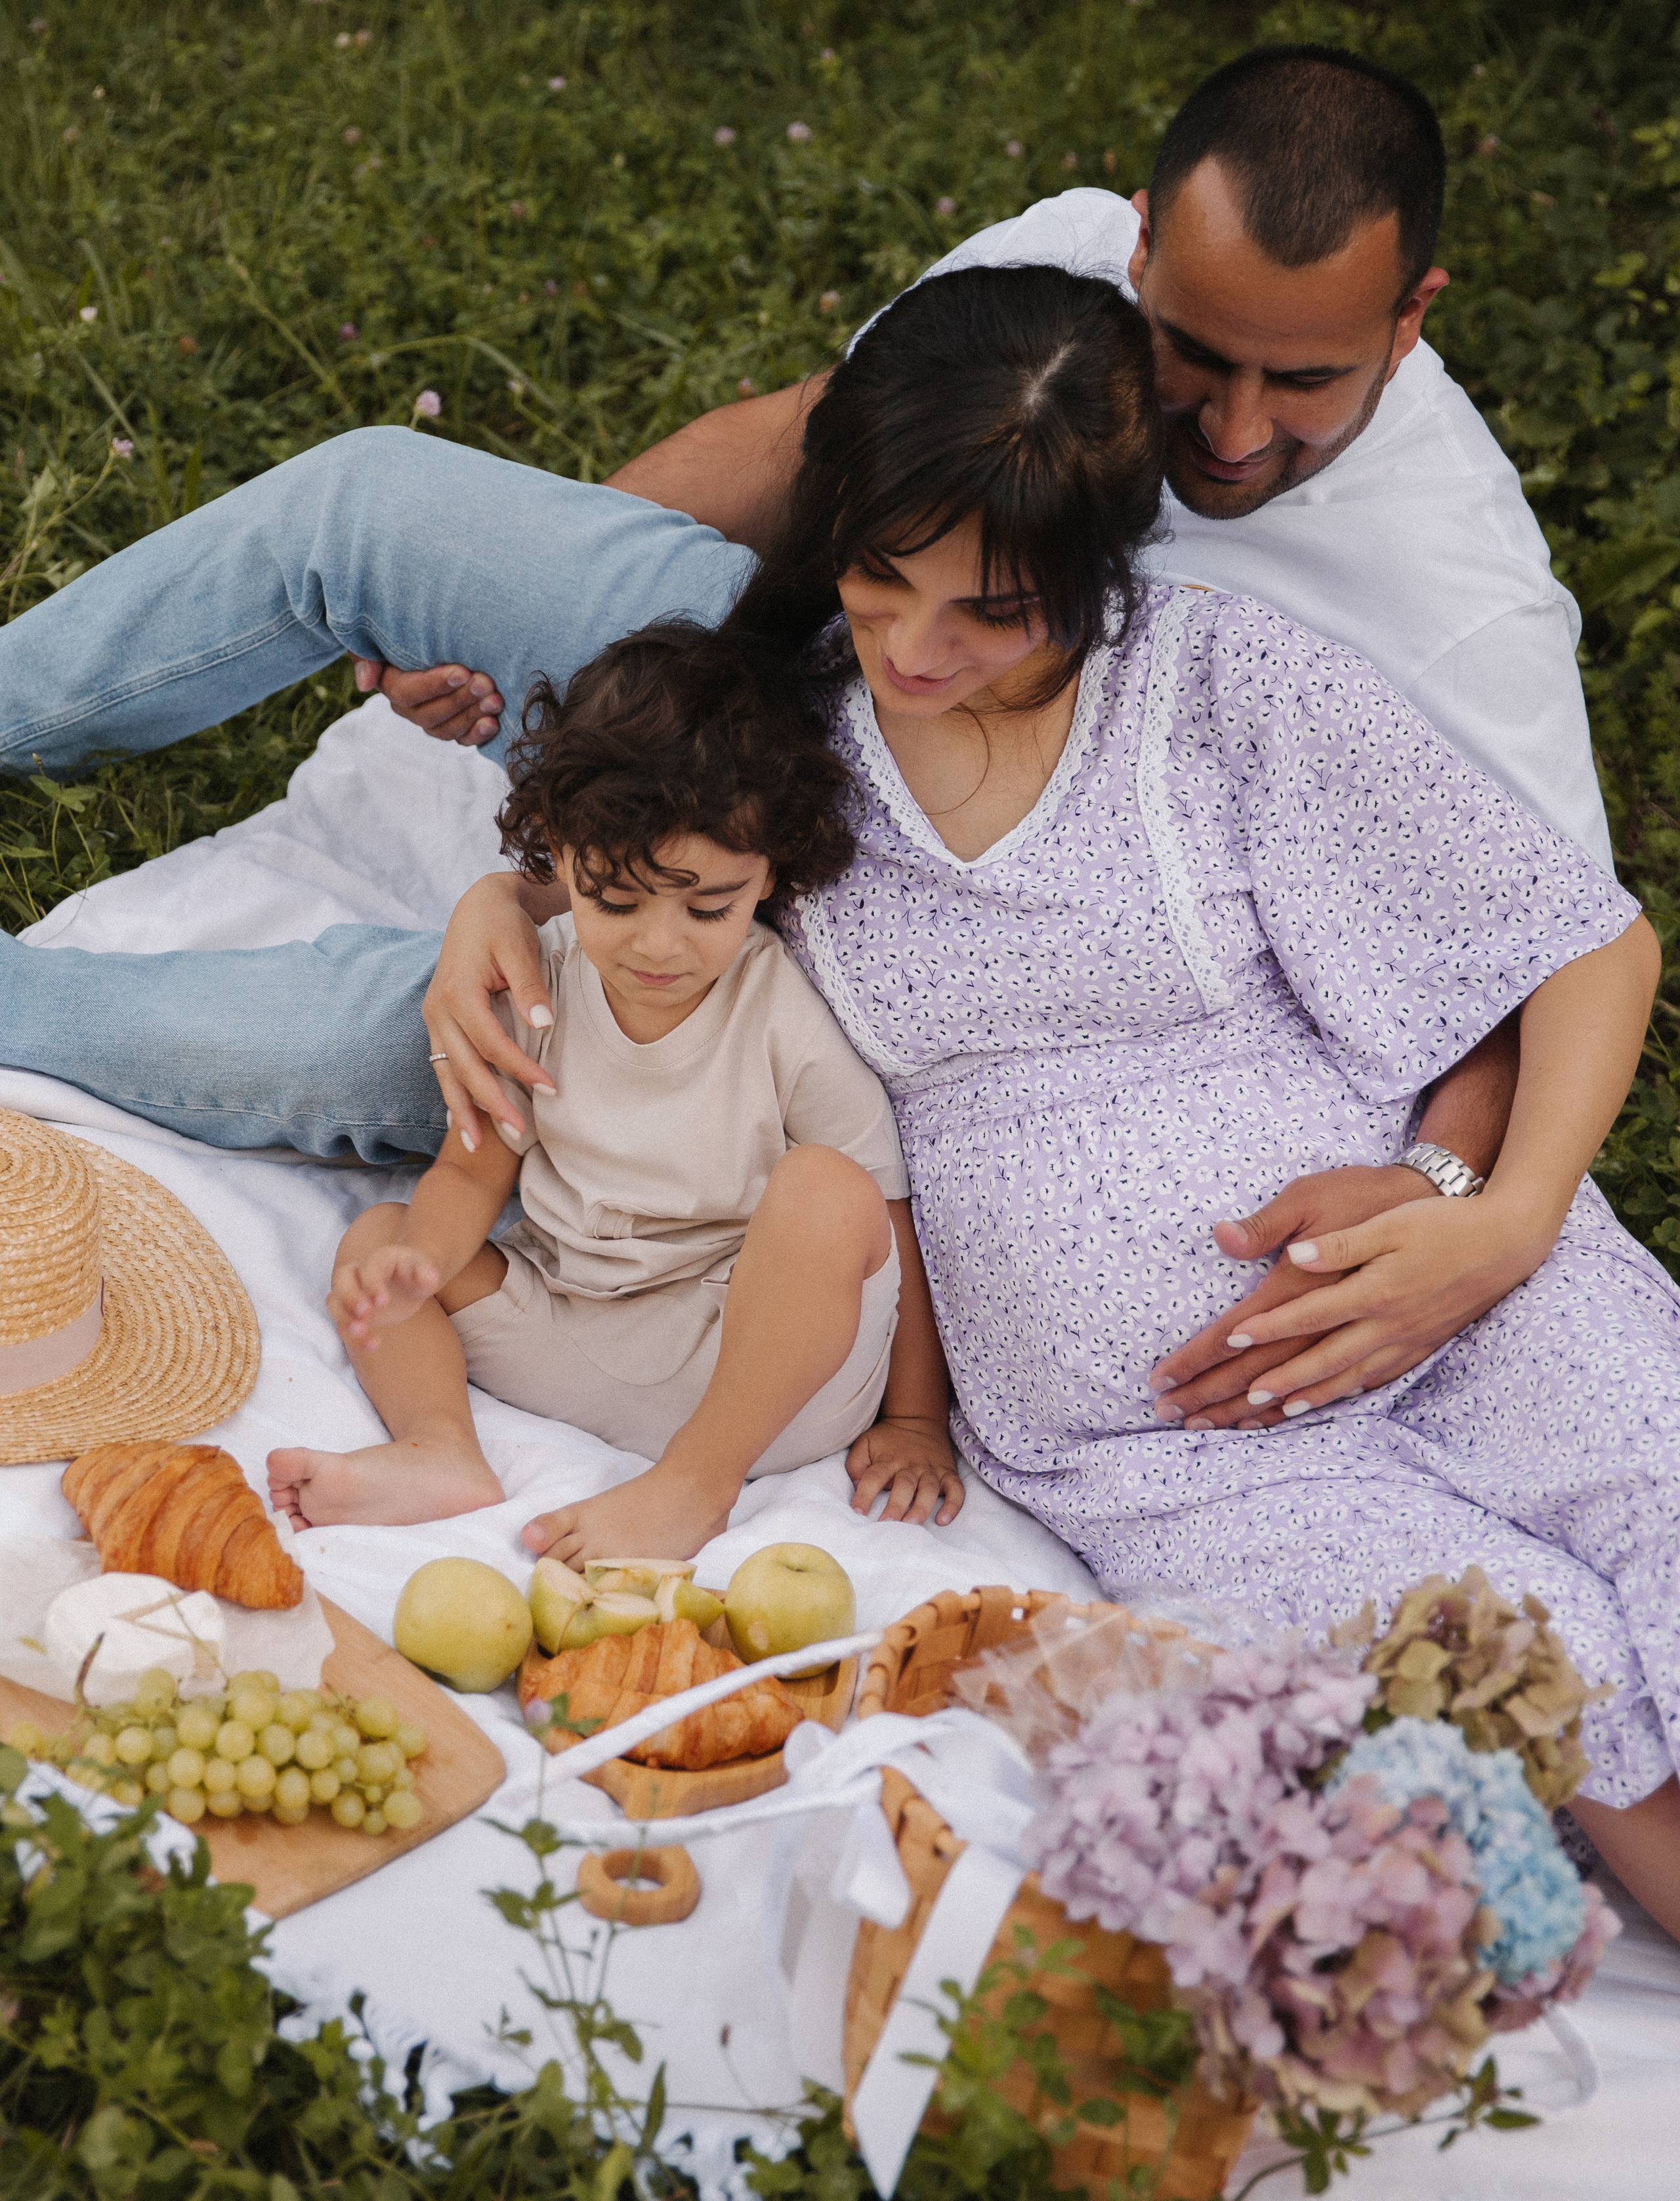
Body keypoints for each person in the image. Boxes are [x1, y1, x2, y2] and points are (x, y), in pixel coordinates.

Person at [0, 49, 1623, 1431]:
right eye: (1195, 351)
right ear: (1138, 249)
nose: (1231, 425)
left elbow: (1513, 960)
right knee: (371, 498)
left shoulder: (1459, 609)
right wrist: (576, 676)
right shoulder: (1063, 271)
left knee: (402, 1044)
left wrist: (1473, 1205)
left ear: (1409, 320)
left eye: (1302, 382)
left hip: (892, 946)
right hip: (791, 641)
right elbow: (807, 438)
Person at [707, 262, 1673, 1921]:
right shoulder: (772, 745)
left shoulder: (1223, 688)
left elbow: (1579, 946)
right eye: (882, 582)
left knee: (1668, 1488)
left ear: (1097, 581)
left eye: (990, 612)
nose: (918, 651)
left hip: (1462, 1281)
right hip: (1175, 1441)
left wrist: (1492, 1220)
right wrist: (488, 919)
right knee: (1524, 1663)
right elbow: (586, 864)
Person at [267, 625, 961, 1552]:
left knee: (832, 1190)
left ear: (767, 873)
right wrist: (421, 1263)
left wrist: (917, 1419)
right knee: (377, 1237)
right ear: (556, 856)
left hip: (755, 1371)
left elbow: (888, 1218)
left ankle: (694, 1483)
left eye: (708, 906)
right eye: (615, 899)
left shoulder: (778, 1011)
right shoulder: (534, 980)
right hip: (568, 1330)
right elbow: (471, 1175)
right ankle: (440, 1448)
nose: (658, 946)